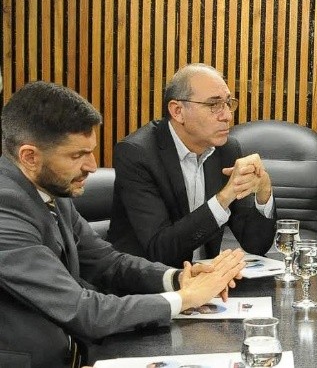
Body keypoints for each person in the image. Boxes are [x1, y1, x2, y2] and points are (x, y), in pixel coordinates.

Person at [0, 81, 246, 368]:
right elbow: (83, 310)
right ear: (29, 157)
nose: (92, 166)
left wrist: (178, 278)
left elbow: (107, 262)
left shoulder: (51, 187)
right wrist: (184, 298)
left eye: (90, 151)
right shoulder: (6, 207)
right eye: (77, 155)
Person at [109, 63, 276, 267]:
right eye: (213, 105)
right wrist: (223, 198)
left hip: (206, 284)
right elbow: (159, 250)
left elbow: (256, 245)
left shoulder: (226, 149)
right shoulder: (137, 154)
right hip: (146, 285)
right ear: (178, 111)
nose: (227, 116)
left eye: (228, 103)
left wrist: (264, 192)